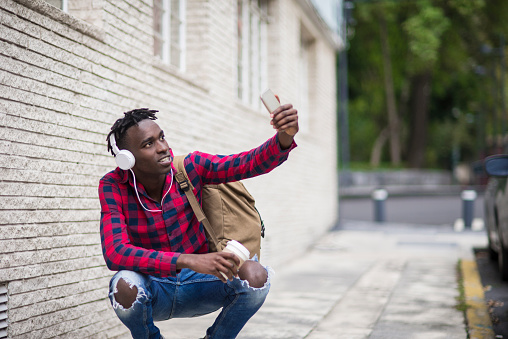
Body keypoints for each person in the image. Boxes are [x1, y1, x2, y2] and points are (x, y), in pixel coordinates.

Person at [99, 101, 299, 339]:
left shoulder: (190, 168)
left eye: (162, 137)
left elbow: (247, 163)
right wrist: (189, 260)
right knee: (124, 285)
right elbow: (116, 253)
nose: (163, 147)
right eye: (149, 144)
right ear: (127, 159)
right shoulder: (113, 185)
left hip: (202, 284)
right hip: (154, 288)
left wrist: (284, 137)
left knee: (256, 276)